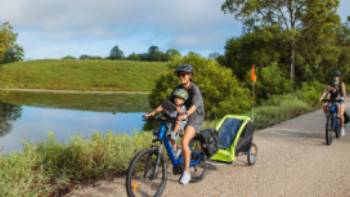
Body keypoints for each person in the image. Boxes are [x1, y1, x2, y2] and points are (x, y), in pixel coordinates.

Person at [145, 64, 205, 185]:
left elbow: (195, 105)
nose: (181, 76)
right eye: (179, 74)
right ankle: (177, 151)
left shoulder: (194, 89)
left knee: (184, 142)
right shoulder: (178, 89)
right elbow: (166, 104)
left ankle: (187, 173)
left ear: (190, 76)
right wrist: (152, 113)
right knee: (170, 135)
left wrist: (186, 114)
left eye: (184, 74)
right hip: (181, 115)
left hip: (195, 116)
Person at [319, 70, 348, 136]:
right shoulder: (330, 83)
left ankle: (342, 127)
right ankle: (329, 117)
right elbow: (326, 92)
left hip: (340, 99)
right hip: (332, 99)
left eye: (337, 76)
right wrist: (321, 97)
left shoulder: (341, 84)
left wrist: (344, 97)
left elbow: (343, 93)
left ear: (339, 77)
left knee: (340, 115)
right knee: (324, 105)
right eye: (335, 76)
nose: (335, 77)